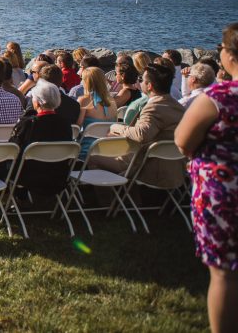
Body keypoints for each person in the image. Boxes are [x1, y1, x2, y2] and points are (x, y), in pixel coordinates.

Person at [175, 22, 238, 333]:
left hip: (224, 191)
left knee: (224, 273)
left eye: (222, 49)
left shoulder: (219, 97)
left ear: (230, 55)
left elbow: (183, 141)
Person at [92, 62, 185, 188]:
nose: (138, 81)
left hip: (149, 169)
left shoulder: (154, 107)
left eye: (141, 79)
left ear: (150, 85)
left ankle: (112, 202)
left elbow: (142, 134)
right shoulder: (178, 107)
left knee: (93, 156)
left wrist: (116, 127)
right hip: (176, 170)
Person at [7, 80, 74, 196]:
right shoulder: (66, 124)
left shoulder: (28, 124)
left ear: (37, 102)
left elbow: (12, 149)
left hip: (27, 175)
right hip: (57, 174)